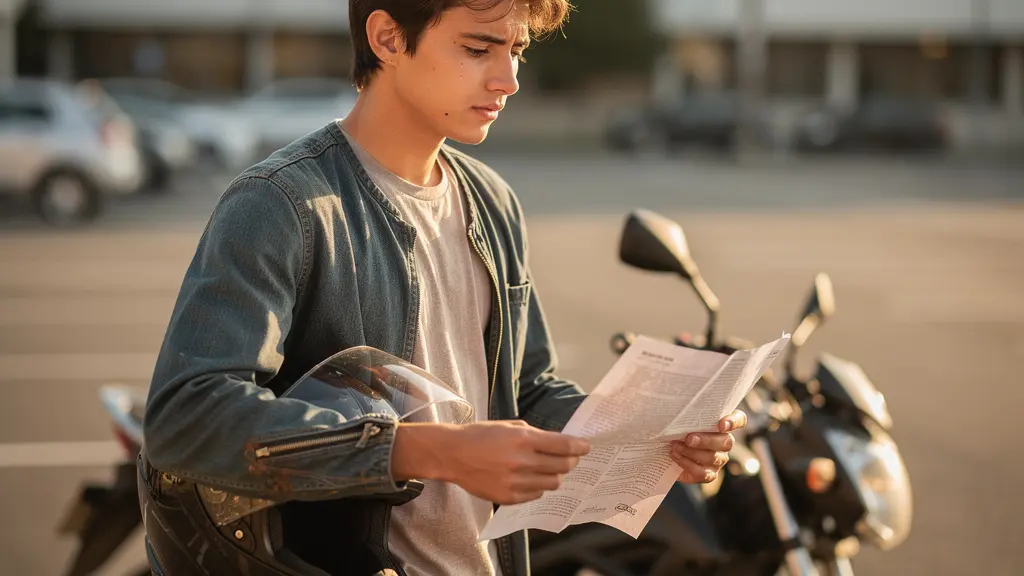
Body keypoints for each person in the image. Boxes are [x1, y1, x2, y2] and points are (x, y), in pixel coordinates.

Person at [141, 1, 747, 575]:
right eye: (478, 48)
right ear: (387, 38)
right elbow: (186, 417)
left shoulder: (492, 202)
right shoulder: (282, 204)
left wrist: (654, 439)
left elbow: (525, 391)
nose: (508, 79)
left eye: (516, 51)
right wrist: (428, 450)